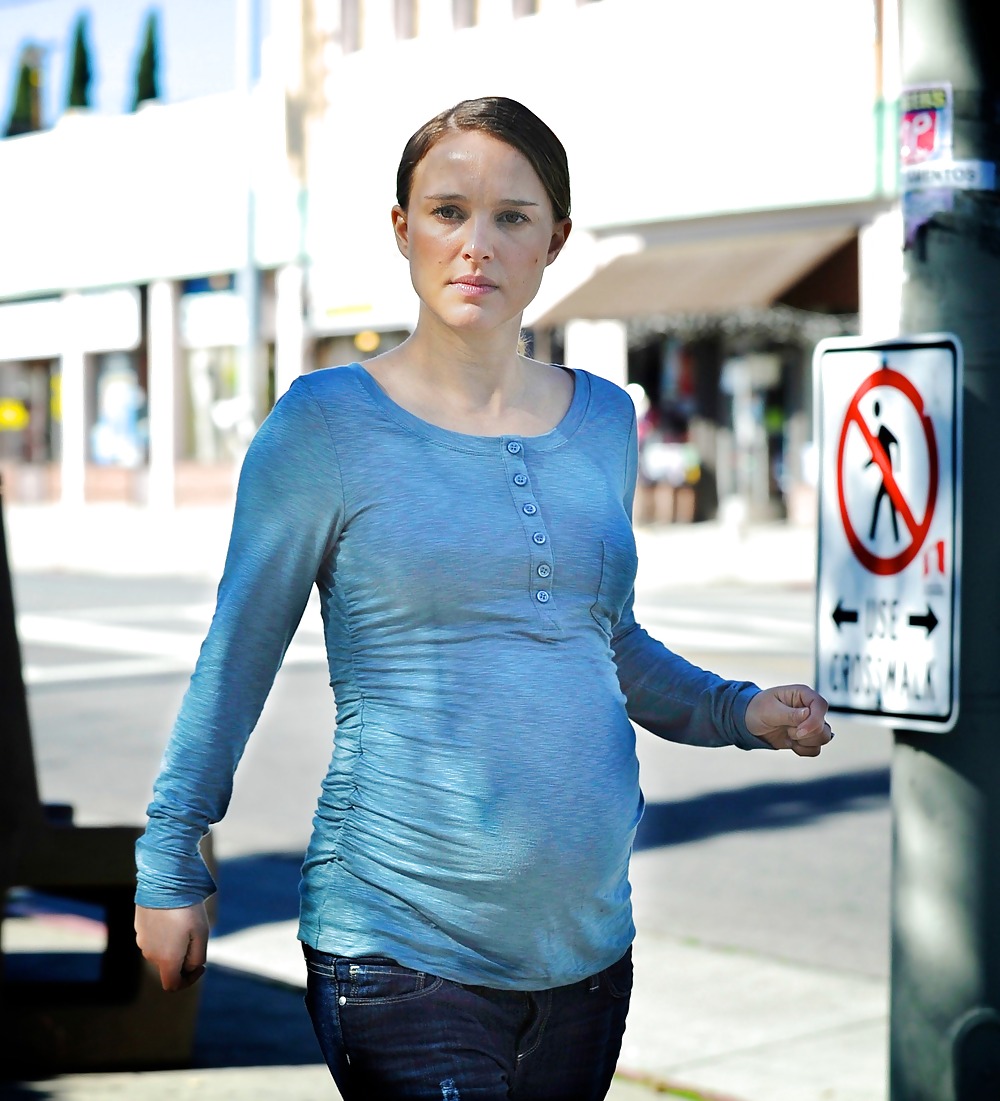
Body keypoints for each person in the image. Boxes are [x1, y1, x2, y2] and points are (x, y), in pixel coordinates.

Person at [134, 97, 833, 1101]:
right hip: (397, 939)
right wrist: (170, 864)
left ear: (554, 241)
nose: (476, 245)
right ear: (401, 229)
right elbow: (235, 655)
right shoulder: (325, 425)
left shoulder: (603, 419)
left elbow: (604, 638)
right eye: (447, 210)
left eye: (511, 217)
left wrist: (740, 712)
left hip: (587, 948)